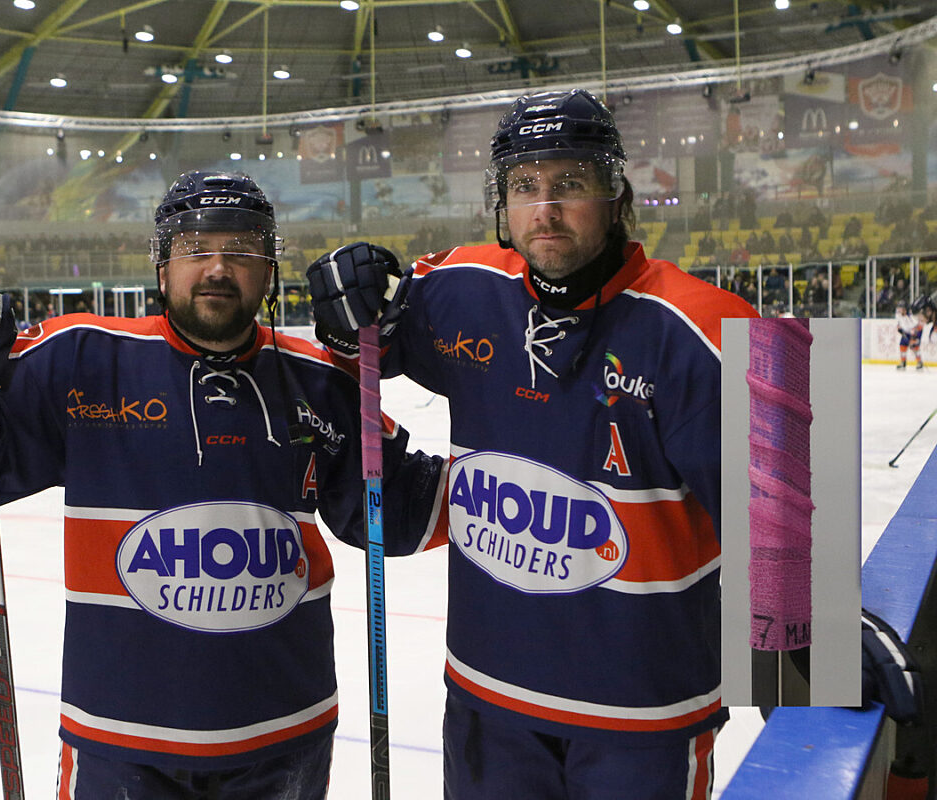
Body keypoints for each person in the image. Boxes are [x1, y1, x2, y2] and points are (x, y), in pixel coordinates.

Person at [0, 170, 445, 799]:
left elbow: (399, 511)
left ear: (269, 271)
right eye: (195, 249)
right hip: (119, 736)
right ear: (161, 268)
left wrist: (545, 444)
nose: (217, 267)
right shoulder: (81, 358)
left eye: (240, 250)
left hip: (283, 734)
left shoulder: (319, 380)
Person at [306, 89, 760, 799]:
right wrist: (342, 307)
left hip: (643, 720)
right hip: (486, 704)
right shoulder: (460, 288)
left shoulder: (714, 328)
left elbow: (801, 517)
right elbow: (352, 352)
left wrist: (818, 656)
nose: (544, 210)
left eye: (569, 183)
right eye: (524, 186)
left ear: (616, 194)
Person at [895, 302, 925, 370]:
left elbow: (919, 326)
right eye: (899, 308)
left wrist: (914, 338)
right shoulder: (898, 315)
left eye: (901, 308)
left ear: (905, 309)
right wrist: (900, 330)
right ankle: (903, 362)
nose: (899, 310)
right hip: (906, 332)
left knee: (915, 347)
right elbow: (899, 325)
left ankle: (919, 362)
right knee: (902, 346)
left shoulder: (912, 316)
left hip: (915, 333)